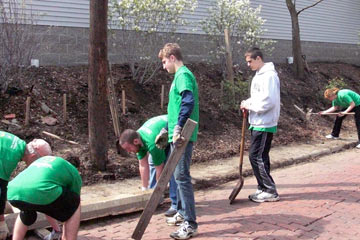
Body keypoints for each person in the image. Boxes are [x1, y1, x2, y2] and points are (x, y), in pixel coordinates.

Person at [156, 43, 199, 240]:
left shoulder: (183, 75)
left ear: (172, 57)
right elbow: (176, 107)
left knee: (182, 176)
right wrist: (168, 127)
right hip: (176, 133)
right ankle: (182, 213)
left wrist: (179, 127)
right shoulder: (178, 77)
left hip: (182, 135)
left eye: (164, 62)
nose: (164, 66)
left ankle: (190, 223)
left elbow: (188, 101)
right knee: (178, 175)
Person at [240, 47, 281, 203]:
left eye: (250, 61)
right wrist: (247, 103)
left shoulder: (269, 76)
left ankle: (270, 189)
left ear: (258, 59)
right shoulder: (259, 75)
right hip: (256, 121)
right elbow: (257, 96)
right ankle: (262, 187)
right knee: (259, 156)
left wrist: (251, 106)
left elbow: (268, 101)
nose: (248, 64)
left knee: (256, 156)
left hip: (265, 122)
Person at [7, 155, 82, 240]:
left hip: (13, 192)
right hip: (41, 191)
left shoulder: (46, 160)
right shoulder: (72, 171)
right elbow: (72, 204)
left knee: (26, 212)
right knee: (75, 204)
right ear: (77, 168)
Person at [118, 115, 178, 217]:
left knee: (171, 168)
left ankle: (176, 204)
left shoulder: (152, 144)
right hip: (160, 135)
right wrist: (144, 189)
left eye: (128, 148)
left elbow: (160, 169)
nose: (129, 151)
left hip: (174, 128)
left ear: (135, 141)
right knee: (151, 162)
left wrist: (160, 187)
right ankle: (151, 196)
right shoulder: (137, 139)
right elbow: (142, 165)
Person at [0, 131, 53, 236]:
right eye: (39, 161)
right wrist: (1, 222)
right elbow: (1, 188)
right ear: (33, 155)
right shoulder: (10, 157)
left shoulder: (16, 143)